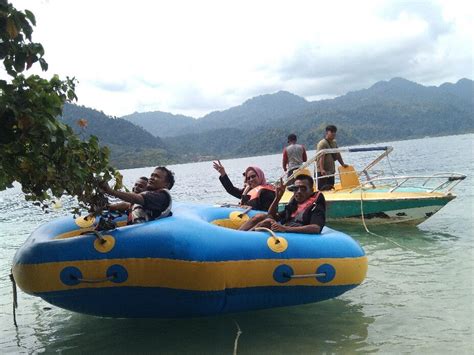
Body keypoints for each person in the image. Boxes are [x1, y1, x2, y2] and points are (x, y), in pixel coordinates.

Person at [241, 174, 325, 234]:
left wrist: (285, 228)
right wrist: (277, 198)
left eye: (303, 188)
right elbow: (271, 215)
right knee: (261, 216)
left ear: (311, 190)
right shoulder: (294, 203)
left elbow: (316, 228)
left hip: (295, 234)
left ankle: (244, 238)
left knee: (268, 222)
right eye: (296, 188)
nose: (299, 191)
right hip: (286, 227)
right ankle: (238, 234)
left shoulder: (316, 204)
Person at [101, 167, 175, 224]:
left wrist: (111, 191)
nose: (151, 178)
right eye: (151, 175)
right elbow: (128, 205)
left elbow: (136, 198)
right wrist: (107, 206)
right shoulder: (152, 195)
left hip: (146, 236)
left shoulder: (161, 196)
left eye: (156, 176)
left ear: (166, 184)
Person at [316, 125, 347, 190]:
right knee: (323, 190)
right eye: (332, 131)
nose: (334, 133)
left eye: (335, 132)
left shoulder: (334, 142)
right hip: (323, 172)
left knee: (331, 188)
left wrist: (342, 164)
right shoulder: (322, 143)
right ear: (327, 132)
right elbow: (321, 157)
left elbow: (338, 154)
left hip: (331, 170)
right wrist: (322, 169)